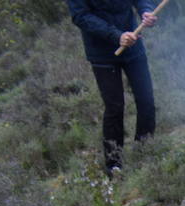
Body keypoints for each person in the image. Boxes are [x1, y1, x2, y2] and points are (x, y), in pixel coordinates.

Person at [66, 0, 158, 174]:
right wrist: (116, 35)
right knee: (115, 107)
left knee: (146, 100)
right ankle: (114, 164)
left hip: (133, 47)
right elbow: (81, 17)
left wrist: (146, 11)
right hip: (102, 54)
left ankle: (144, 151)